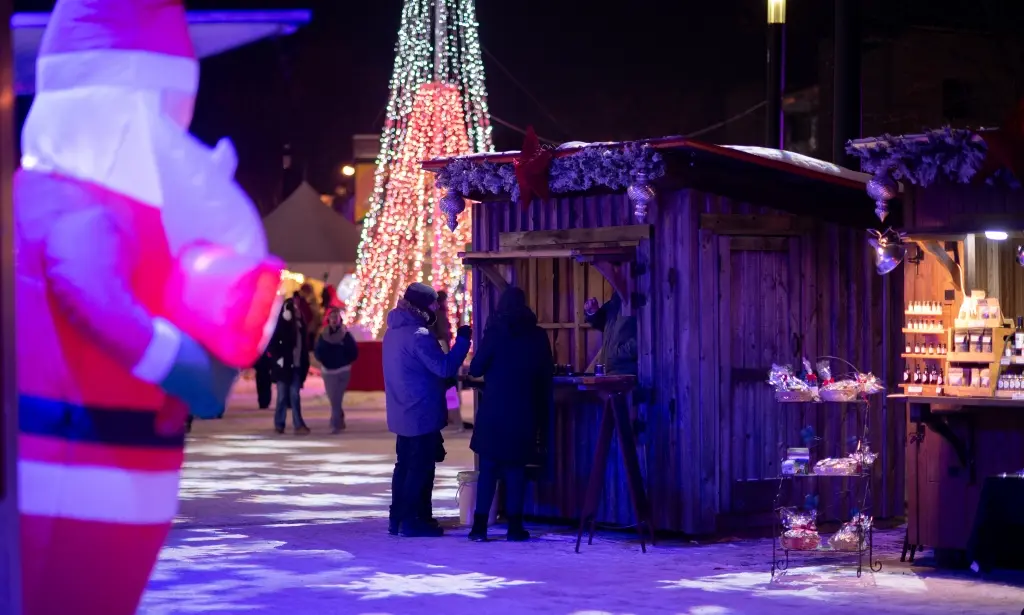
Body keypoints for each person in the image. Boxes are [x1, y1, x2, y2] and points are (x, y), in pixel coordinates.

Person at [13, 0, 283, 612]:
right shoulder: (82, 205)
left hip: (111, 464)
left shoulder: (83, 199)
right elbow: (89, 289)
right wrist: (179, 362)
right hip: (76, 464)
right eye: (167, 114)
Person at [383, 282, 472, 537]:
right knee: (420, 467)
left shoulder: (393, 332)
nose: (436, 306)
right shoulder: (418, 335)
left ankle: (399, 517)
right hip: (420, 411)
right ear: (423, 305)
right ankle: (413, 520)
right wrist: (463, 342)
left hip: (402, 410)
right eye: (433, 303)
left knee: (404, 465)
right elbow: (444, 368)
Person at [467, 287, 554, 542]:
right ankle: (515, 527)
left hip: (494, 409)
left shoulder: (495, 332)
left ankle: (479, 527)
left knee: (489, 469)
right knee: (516, 469)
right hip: (524, 410)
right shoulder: (537, 336)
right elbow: (545, 373)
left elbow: (476, 367)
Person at [269, 299, 312, 434]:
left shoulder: (300, 325)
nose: (297, 309)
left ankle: (298, 424)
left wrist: (304, 362)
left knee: (294, 395)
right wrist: (279, 358)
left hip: (297, 366)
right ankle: (279, 423)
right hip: (284, 367)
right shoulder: (283, 325)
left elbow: (303, 346)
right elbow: (273, 344)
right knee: (282, 396)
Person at [315, 307, 359, 433]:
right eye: (332, 317)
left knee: (337, 398)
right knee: (333, 398)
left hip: (342, 371)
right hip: (328, 372)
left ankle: (335, 424)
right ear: (328, 319)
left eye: (336, 317)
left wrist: (345, 361)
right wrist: (324, 361)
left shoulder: (346, 335)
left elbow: (354, 352)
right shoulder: (323, 335)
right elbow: (318, 351)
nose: (334, 320)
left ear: (340, 319)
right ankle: (339, 417)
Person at [584, 293, 638, 375]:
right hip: (610, 371)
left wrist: (619, 353)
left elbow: (646, 338)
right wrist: (593, 312)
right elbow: (604, 323)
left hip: (627, 371)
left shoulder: (639, 298)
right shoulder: (614, 301)